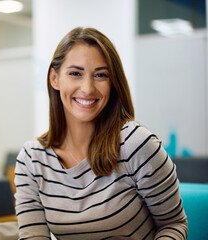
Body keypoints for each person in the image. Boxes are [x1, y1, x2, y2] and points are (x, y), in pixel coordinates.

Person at [14, 27, 188, 239]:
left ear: (113, 83)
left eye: (100, 75)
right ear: (54, 78)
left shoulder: (136, 144)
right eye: (75, 73)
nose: (87, 88)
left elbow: (174, 224)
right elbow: (33, 236)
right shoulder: (32, 158)